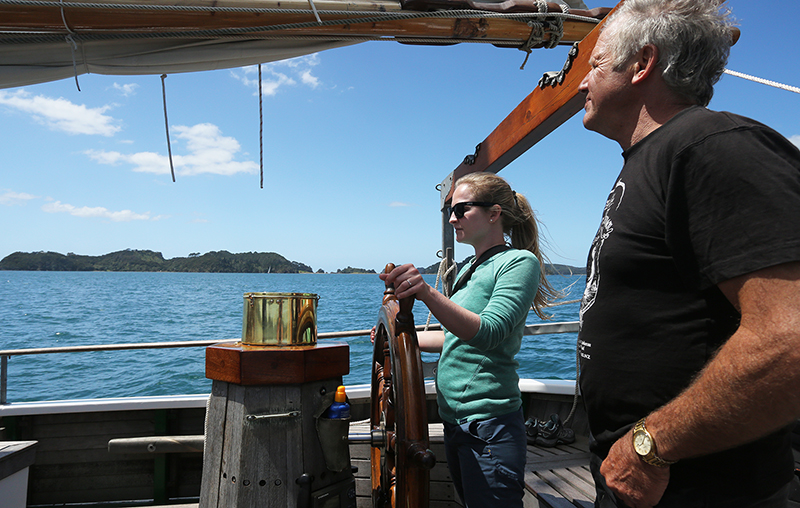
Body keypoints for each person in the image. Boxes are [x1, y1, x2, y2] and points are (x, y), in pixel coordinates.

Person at [576, 1, 800, 507]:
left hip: (697, 488)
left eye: (593, 64)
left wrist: (649, 447)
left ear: (641, 63)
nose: (580, 84)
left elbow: (792, 339)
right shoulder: (656, 159)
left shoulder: (712, 147)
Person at [380, 172, 557, 507]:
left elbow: (488, 333)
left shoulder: (518, 263)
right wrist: (399, 336)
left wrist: (427, 292)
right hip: (455, 423)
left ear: (494, 214)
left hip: (489, 425)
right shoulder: (466, 270)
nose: (452, 218)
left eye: (461, 209)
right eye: (451, 209)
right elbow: (454, 337)